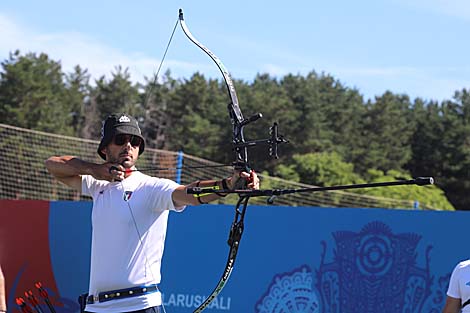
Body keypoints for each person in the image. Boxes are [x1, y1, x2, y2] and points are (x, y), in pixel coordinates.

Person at [45, 113, 259, 313]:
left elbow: (190, 193)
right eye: (120, 140)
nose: (128, 146)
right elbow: (53, 165)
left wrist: (228, 184)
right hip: (96, 307)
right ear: (105, 149)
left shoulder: (150, 188)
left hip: (139, 305)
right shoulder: (96, 184)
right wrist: (94, 169)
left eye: (134, 142)